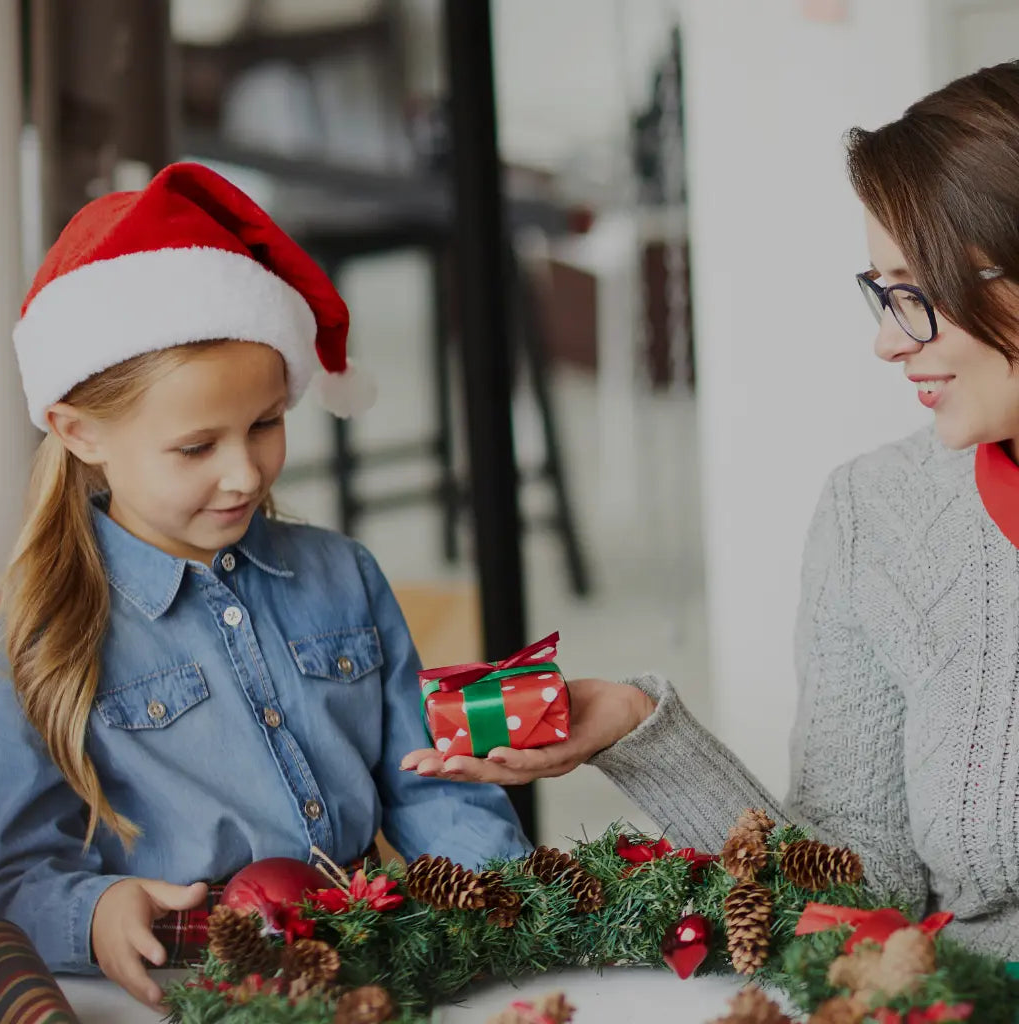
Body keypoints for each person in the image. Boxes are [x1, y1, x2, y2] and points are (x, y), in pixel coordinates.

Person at [403, 61, 1019, 962]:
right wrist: (639, 731)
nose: (888, 341)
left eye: (918, 295)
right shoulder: (875, 516)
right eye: (882, 292)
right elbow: (854, 898)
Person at [0, 162, 530, 1007]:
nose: (246, 472)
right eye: (197, 447)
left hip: (370, 971)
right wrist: (93, 912)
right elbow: (15, 867)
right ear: (78, 430)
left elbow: (429, 780)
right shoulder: (33, 630)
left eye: (267, 424)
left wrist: (495, 898)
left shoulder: (343, 576)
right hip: (181, 989)